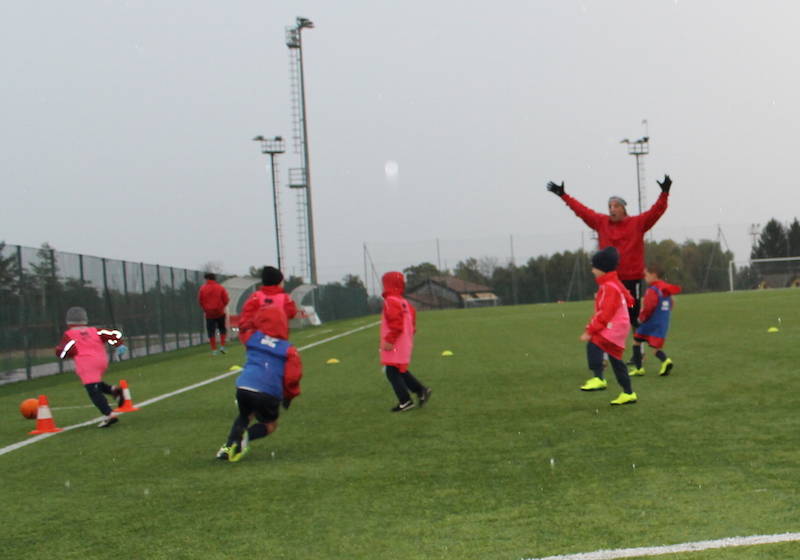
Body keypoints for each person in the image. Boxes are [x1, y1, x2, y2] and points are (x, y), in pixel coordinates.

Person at [546, 175, 672, 336]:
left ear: (623, 209)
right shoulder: (601, 222)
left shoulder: (637, 224)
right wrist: (564, 195)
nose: (612, 209)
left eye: (616, 206)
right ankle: (606, 354)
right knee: (607, 315)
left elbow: (656, 212)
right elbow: (582, 211)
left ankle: (638, 352)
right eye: (610, 206)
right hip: (610, 280)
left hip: (632, 279)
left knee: (633, 317)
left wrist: (665, 193)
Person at [216, 306, 302, 462]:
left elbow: (244, 328)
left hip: (244, 386)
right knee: (270, 425)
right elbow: (292, 377)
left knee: (244, 416)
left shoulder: (253, 338)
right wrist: (289, 396)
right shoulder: (288, 350)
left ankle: (228, 447)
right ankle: (245, 437)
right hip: (268, 392)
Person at [578, 247, 637, 405]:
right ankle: (628, 393)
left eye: (594, 267)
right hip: (620, 325)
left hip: (614, 326)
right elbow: (626, 295)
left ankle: (598, 378)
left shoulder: (608, 287)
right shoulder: (613, 282)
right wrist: (628, 300)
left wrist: (589, 331)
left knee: (594, 342)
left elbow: (604, 313)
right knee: (616, 359)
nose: (592, 271)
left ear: (602, 269)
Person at [54, 306, 128, 427]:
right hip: (101, 360)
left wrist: (60, 353)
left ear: (68, 322)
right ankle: (113, 390)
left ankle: (109, 414)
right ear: (85, 320)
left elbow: (64, 350)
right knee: (95, 384)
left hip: (86, 363)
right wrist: (119, 345)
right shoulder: (94, 331)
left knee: (93, 391)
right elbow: (112, 334)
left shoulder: (69, 334)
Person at [380, 271, 431, 412]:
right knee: (399, 369)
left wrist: (390, 339)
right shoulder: (404, 302)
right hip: (405, 341)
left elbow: (395, 323)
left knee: (391, 371)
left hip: (395, 341)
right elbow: (412, 317)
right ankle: (421, 390)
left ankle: (405, 401)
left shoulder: (390, 301)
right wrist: (410, 332)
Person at [628, 263, 682, 377]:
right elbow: (671, 303)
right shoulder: (665, 288)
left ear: (654, 275)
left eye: (646, 275)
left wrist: (641, 318)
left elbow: (648, 307)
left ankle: (640, 368)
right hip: (662, 322)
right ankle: (665, 361)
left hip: (650, 322)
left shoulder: (652, 290)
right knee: (655, 347)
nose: (644, 277)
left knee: (636, 341)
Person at [237, 266, 299, 344]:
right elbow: (292, 312)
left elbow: (246, 317)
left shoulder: (256, 297)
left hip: (259, 341)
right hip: (279, 340)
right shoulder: (284, 298)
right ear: (279, 282)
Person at [198, 272, 230, 355]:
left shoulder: (203, 288)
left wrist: (205, 309)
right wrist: (222, 306)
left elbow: (200, 301)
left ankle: (214, 350)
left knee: (211, 331)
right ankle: (222, 346)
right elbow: (226, 299)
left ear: (207, 279)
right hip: (220, 312)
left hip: (209, 313)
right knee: (222, 329)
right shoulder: (220, 288)